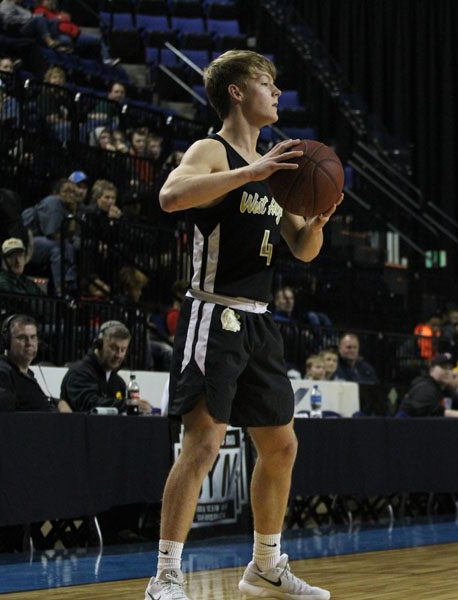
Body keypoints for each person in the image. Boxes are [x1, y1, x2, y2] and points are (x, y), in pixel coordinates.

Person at [148, 49, 341, 600]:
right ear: (236, 91)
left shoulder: (280, 168)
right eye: (266, 82)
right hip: (215, 311)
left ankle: (264, 566)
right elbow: (170, 197)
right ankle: (165, 575)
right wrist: (251, 172)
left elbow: (302, 248)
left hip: (260, 322)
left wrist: (318, 222)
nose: (277, 93)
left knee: (281, 446)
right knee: (203, 444)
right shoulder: (213, 150)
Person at [0, 314, 71, 412]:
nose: (29, 343)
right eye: (22, 338)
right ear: (7, 342)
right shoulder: (0, 374)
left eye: (33, 337)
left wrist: (60, 404)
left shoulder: (27, 374)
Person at [60, 320, 152, 413]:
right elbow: (90, 405)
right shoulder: (79, 373)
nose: (118, 355)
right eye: (114, 348)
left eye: (123, 350)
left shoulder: (118, 382)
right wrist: (126, 405)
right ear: (99, 345)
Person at [396, 352, 458, 418]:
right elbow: (439, 413)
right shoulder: (425, 386)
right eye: (444, 367)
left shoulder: (445, 389)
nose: (448, 371)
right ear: (431, 370)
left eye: (451, 368)